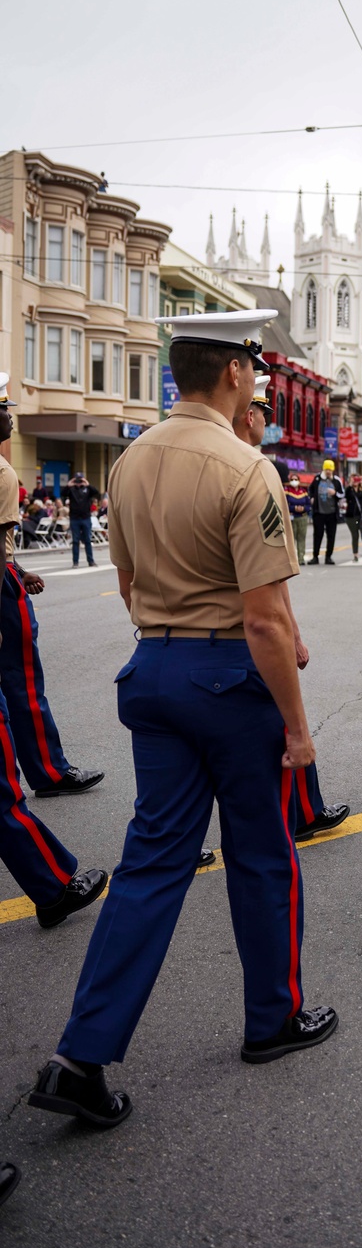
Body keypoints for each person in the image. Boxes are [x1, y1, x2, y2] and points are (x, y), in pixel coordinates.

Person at [28, 311, 337, 1131]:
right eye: (254, 370)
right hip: (230, 678)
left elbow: (128, 586)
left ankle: (82, 1052)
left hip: (154, 668)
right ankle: (272, 1016)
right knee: (264, 854)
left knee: (151, 864)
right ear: (234, 372)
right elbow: (266, 618)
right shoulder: (246, 468)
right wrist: (298, 728)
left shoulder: (128, 464)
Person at [0, 373, 109, 927]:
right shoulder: (1, 470)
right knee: (22, 688)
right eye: (3, 409)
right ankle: (47, 771)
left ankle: (47, 769)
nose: (11, 417)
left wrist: (17, 568)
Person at [233, 375, 350, 843]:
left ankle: (186, 841)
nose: (266, 421)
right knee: (281, 724)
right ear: (250, 415)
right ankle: (303, 812)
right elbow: (270, 583)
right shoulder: (255, 471)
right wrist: (293, 636)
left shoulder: (148, 457)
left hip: (161, 642)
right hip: (238, 634)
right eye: (264, 412)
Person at [307, 460, 343, 565]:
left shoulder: (336, 480)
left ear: (332, 470)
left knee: (331, 535)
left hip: (332, 513)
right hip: (319, 512)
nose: (328, 471)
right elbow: (310, 489)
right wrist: (312, 497)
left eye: (330, 469)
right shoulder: (317, 478)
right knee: (317, 534)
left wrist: (335, 493)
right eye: (326, 469)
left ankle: (328, 557)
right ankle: (315, 556)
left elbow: (342, 494)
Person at [65, 472, 100, 568]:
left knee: (87, 540)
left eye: (80, 480)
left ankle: (91, 561)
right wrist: (69, 485)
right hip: (74, 518)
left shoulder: (88, 489)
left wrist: (87, 484)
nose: (79, 482)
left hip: (85, 518)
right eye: (77, 480)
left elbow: (96, 493)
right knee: (75, 541)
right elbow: (62, 494)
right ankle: (75, 562)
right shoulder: (71, 489)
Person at [344, 474, 362, 562]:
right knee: (355, 535)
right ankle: (355, 554)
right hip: (352, 518)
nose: (356, 482)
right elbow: (346, 495)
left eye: (357, 480)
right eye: (354, 480)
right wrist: (350, 485)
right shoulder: (349, 490)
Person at [284, 474, 311, 566]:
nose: (294, 481)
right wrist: (294, 508)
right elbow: (284, 504)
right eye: (292, 479)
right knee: (291, 539)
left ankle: (301, 558)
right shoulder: (287, 491)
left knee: (301, 538)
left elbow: (308, 505)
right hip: (292, 517)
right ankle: (291, 559)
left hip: (302, 517)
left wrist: (303, 508)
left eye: (296, 479)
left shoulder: (303, 491)